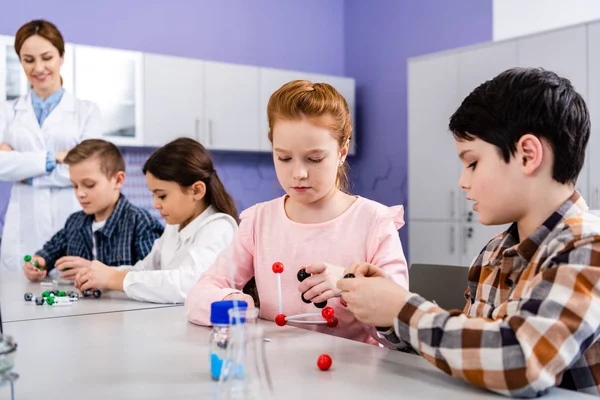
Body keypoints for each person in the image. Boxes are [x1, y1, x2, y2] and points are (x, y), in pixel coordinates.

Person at [338, 68, 600, 397]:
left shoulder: (588, 244)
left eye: (472, 163)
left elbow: (522, 362)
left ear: (527, 155)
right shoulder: (493, 253)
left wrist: (403, 309)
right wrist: (388, 315)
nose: (463, 181)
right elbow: (467, 354)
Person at [186, 80, 408, 345]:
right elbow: (200, 293)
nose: (298, 174)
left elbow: (402, 325)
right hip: (276, 373)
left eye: (314, 159)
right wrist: (233, 303)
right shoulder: (259, 222)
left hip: (354, 376)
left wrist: (349, 283)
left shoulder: (374, 223)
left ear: (342, 151)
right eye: (284, 158)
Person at [75, 138, 238, 304]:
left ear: (196, 190)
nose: (155, 204)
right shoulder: (175, 226)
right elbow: (144, 269)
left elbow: (185, 285)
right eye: (153, 195)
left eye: (162, 196)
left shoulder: (219, 227)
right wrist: (103, 276)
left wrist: (114, 279)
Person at [0, 19, 102, 271]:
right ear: (20, 61)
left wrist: (23, 169)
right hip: (22, 228)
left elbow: (89, 172)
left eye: (47, 57)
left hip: (69, 220)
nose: (39, 68)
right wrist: (56, 157)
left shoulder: (86, 112)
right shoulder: (7, 111)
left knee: (71, 302)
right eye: (29, 59)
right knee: (17, 302)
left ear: (61, 56)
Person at [23, 139, 163, 282]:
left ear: (118, 180)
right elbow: (48, 252)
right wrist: (37, 263)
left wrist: (95, 270)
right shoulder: (74, 222)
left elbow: (153, 277)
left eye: (89, 185)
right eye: (75, 186)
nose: (80, 193)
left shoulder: (140, 223)